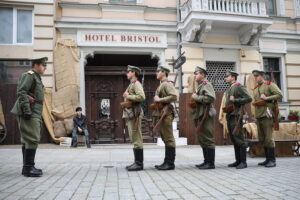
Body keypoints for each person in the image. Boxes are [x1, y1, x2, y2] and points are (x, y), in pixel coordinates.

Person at [11, 57, 48, 177]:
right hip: (29, 111)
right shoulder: (29, 75)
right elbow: (22, 92)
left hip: (34, 111)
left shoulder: (36, 77)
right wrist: (27, 110)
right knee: (32, 138)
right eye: (43, 65)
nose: (45, 67)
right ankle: (28, 168)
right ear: (36, 65)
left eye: (45, 65)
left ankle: (27, 167)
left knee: (28, 139)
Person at [252, 70, 282, 167]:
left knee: (269, 138)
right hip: (259, 115)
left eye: (257, 76)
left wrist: (267, 98)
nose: (255, 78)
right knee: (263, 138)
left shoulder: (269, 85)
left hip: (267, 114)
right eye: (254, 76)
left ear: (262, 76)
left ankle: (272, 160)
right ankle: (267, 159)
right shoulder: (256, 88)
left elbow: (280, 95)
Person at [224, 71, 252, 169]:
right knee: (234, 138)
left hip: (236, 116)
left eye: (227, 76)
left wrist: (235, 100)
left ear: (233, 77)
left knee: (239, 138)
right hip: (230, 115)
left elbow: (248, 98)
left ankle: (243, 162)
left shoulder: (238, 86)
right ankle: (238, 160)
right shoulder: (231, 87)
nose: (225, 78)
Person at [191, 66, 216, 169]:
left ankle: (210, 163)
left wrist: (197, 98)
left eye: (197, 73)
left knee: (208, 138)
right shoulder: (200, 85)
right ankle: (206, 161)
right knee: (202, 139)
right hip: (200, 114)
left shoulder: (206, 84)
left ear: (202, 74)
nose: (195, 76)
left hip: (206, 114)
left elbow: (211, 98)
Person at [153, 66, 177, 170]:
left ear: (163, 72)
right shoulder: (162, 84)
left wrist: (160, 99)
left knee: (169, 138)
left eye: (158, 71)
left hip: (166, 114)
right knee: (165, 138)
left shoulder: (167, 83)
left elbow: (174, 96)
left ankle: (170, 163)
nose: (156, 73)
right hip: (162, 114)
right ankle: (166, 161)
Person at [122, 65, 146, 171]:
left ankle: (139, 164)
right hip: (131, 113)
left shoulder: (136, 84)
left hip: (135, 113)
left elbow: (142, 97)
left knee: (137, 138)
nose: (127, 73)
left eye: (128, 72)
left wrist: (128, 96)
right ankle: (136, 162)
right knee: (134, 137)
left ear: (133, 73)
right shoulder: (131, 84)